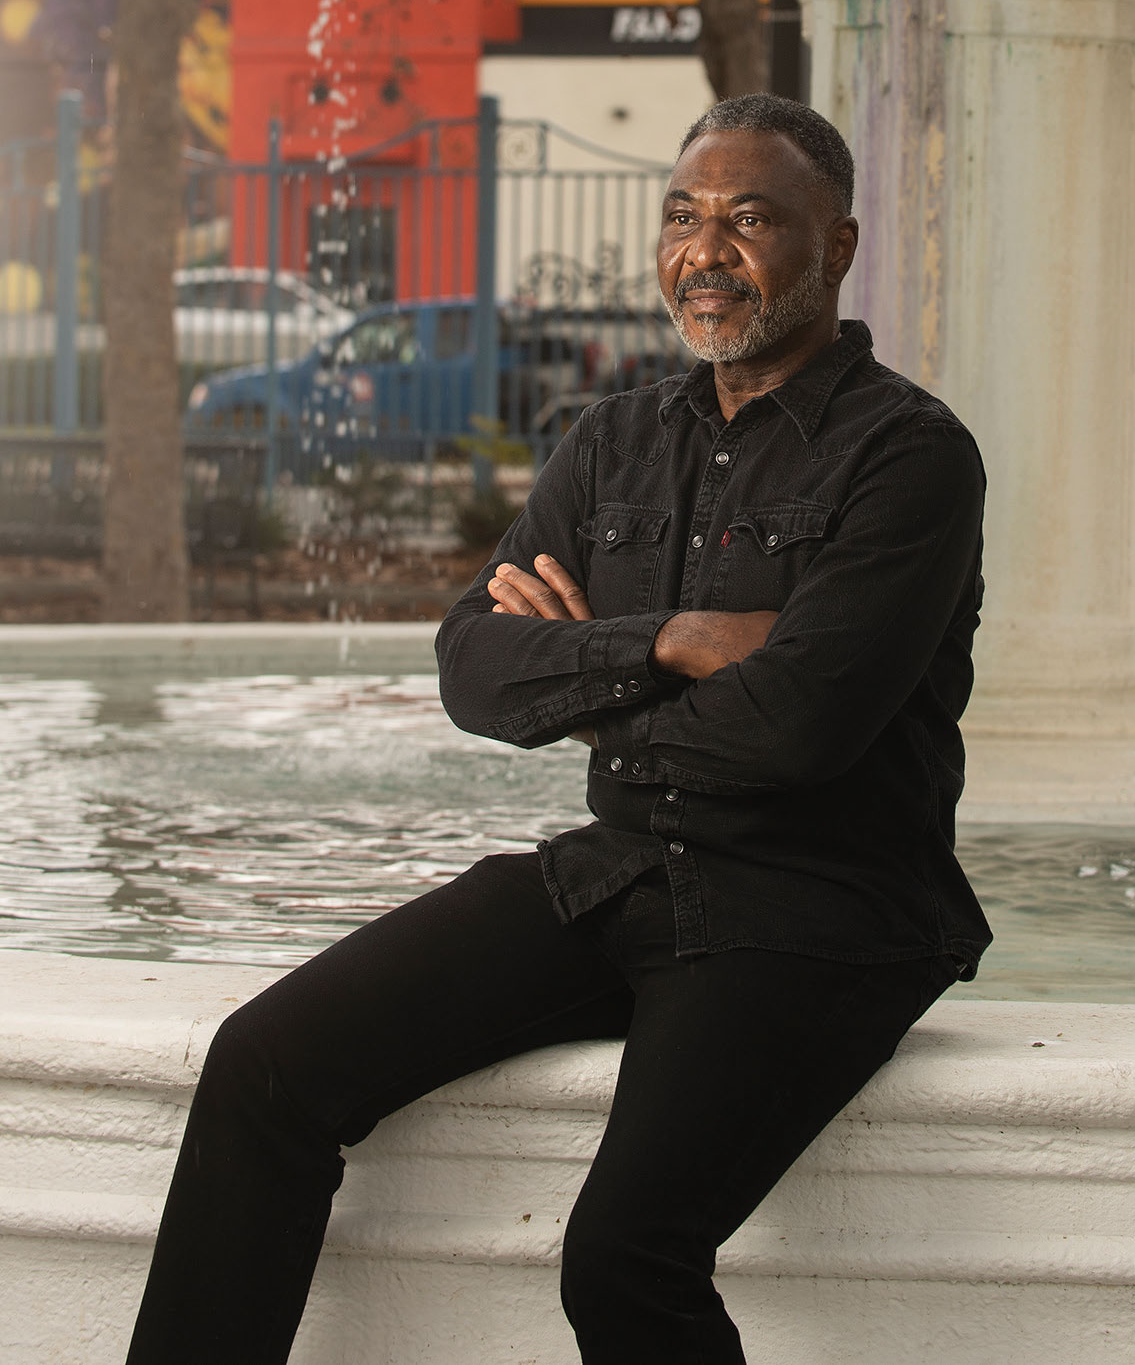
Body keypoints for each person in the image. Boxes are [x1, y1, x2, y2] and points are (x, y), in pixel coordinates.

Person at [126, 93, 990, 1365]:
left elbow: (800, 727)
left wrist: (583, 692)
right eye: (684, 217)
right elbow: (473, 665)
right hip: (619, 868)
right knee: (265, 1066)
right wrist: (664, 642)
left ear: (839, 244)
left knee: (625, 1254)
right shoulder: (612, 438)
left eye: (751, 219)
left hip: (818, 906)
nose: (707, 251)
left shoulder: (911, 456)